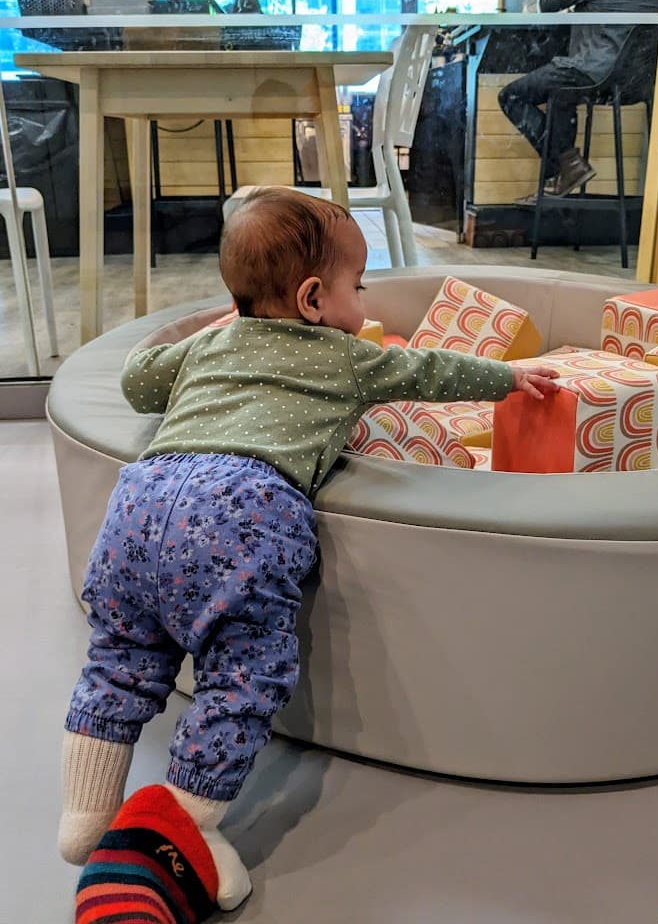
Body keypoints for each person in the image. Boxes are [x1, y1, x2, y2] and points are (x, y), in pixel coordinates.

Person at [58, 186, 559, 921]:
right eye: (359, 286)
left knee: (121, 653)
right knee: (243, 676)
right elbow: (431, 374)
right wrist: (513, 378)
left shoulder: (212, 342)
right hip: (244, 507)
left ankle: (84, 817)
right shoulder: (347, 356)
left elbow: (138, 383)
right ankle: (185, 825)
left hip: (142, 499)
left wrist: (204, 329)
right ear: (317, 299)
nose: (365, 300)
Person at [498, 0, 658, 201]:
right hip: (641, 81)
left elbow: (548, 3)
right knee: (560, 95)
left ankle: (568, 166)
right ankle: (566, 169)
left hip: (593, 73)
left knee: (511, 96)